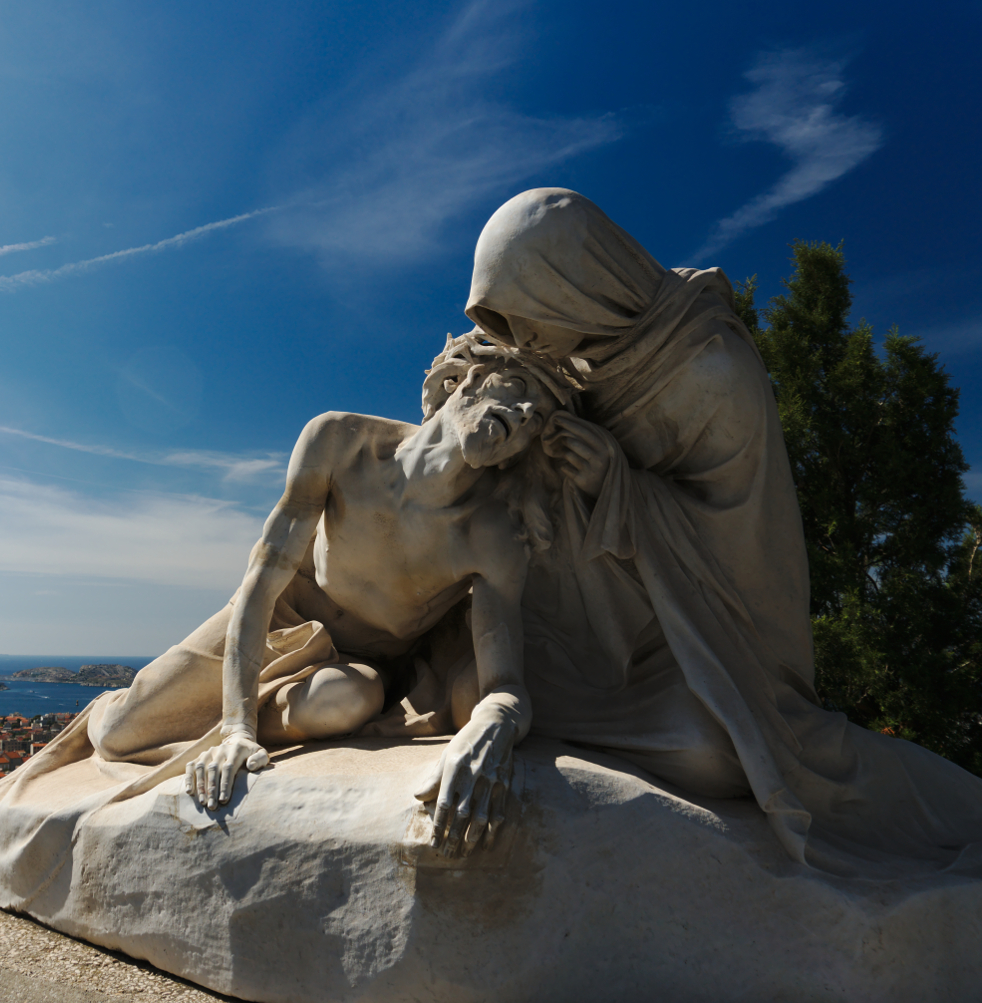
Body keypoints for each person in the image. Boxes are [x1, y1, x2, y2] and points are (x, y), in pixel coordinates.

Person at [461, 187, 982, 875]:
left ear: (577, 287)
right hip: (604, 620)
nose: (520, 342)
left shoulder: (711, 371)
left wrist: (616, 484)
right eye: (507, 323)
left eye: (528, 320)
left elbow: (739, 549)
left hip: (712, 640)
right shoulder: (574, 355)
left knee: (719, 746)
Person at [86, 345, 576, 854]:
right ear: (468, 380)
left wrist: (493, 726)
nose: (522, 416)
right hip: (279, 618)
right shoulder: (340, 440)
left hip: (371, 664)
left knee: (344, 702)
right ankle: (150, 711)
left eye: (536, 419)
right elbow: (262, 579)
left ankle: (251, 723)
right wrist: (235, 726)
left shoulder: (493, 533)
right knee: (121, 735)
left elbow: (505, 684)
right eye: (517, 390)